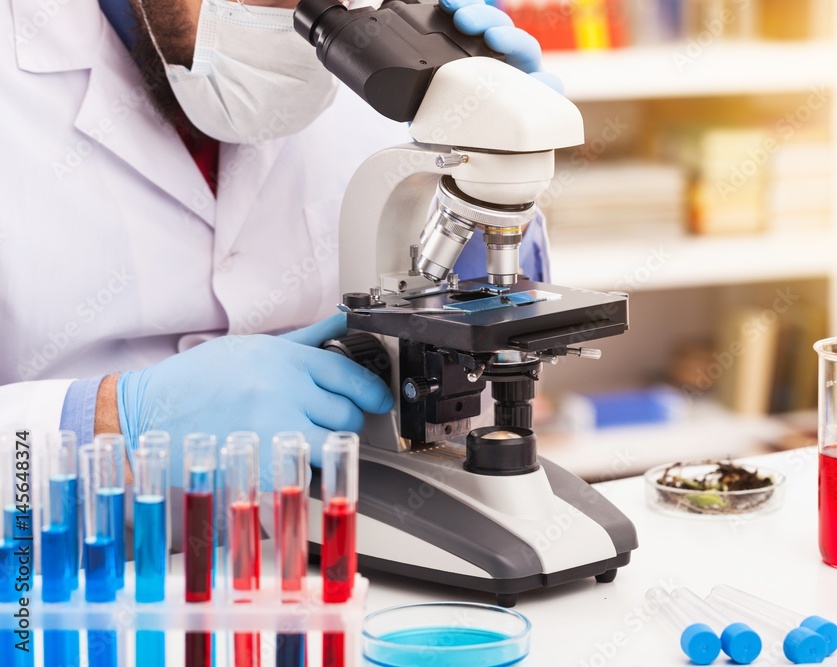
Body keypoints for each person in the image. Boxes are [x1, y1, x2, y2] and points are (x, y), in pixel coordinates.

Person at [0, 0, 556, 474]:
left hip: (341, 559)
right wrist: (115, 421)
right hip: (56, 571)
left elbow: (495, 313)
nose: (296, 15)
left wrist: (494, 161)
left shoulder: (393, 39)